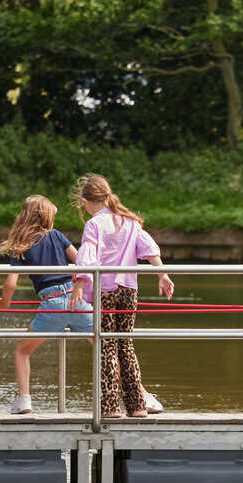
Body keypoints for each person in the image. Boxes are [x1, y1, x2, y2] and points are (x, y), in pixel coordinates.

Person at [73, 173, 173, 418]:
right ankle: (137, 405)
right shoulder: (129, 221)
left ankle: (109, 408)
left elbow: (86, 256)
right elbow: (148, 248)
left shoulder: (94, 224)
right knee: (126, 344)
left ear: (86, 201)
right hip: (129, 289)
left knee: (107, 346)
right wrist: (162, 274)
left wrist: (78, 284)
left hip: (105, 290)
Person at [0, 194, 90, 415]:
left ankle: (24, 400)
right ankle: (138, 394)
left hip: (52, 303)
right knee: (108, 347)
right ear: (46, 216)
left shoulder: (20, 245)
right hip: (77, 300)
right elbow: (82, 263)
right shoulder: (56, 236)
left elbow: (10, 284)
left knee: (22, 351)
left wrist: (5, 304)